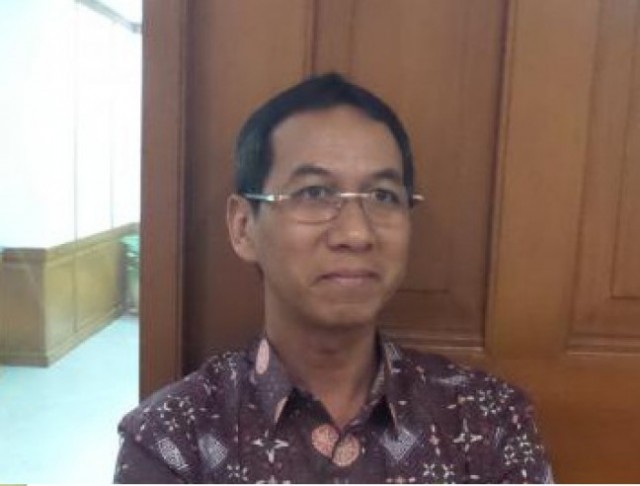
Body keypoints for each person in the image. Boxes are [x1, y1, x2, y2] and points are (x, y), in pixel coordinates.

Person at [114, 73, 552, 483]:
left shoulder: (488, 422)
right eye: (315, 193)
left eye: (383, 196)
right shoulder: (173, 439)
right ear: (244, 227)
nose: (356, 233)